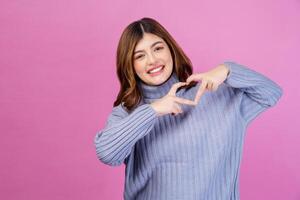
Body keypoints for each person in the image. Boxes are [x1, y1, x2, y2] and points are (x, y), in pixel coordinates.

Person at [94, 17, 283, 200]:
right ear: (130, 65)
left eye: (158, 48)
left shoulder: (215, 95)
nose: (152, 60)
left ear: (171, 50)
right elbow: (107, 154)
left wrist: (227, 70)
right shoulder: (128, 112)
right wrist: (153, 110)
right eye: (140, 56)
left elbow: (270, 93)